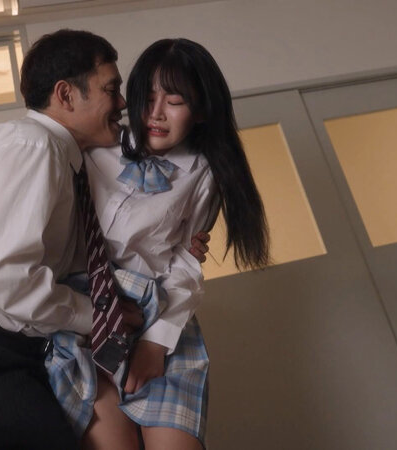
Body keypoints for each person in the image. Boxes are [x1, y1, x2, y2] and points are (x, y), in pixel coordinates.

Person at [0, 29, 145, 449]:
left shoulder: (62, 159)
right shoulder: (33, 145)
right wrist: (95, 317)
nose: (123, 103)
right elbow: (0, 275)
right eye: (111, 89)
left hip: (1, 356)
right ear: (66, 95)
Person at [46, 38, 270, 450]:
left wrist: (155, 342)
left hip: (159, 317)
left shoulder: (202, 173)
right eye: (147, 98)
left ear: (200, 110)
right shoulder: (95, 146)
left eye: (175, 101)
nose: (156, 113)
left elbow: (185, 263)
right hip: (85, 318)